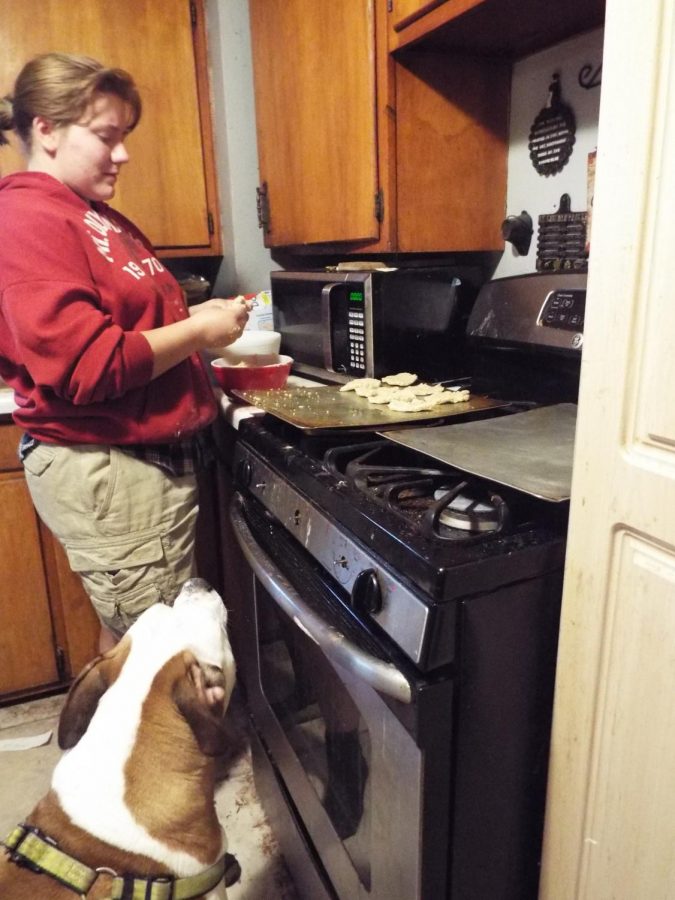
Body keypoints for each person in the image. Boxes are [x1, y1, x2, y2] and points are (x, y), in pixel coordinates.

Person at [0, 52, 250, 652]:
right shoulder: (29, 218)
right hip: (112, 464)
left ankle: (118, 740)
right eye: (107, 136)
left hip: (135, 458)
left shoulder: (87, 214)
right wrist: (199, 332)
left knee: (138, 642)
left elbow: (125, 330)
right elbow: (91, 365)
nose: (123, 154)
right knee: (156, 656)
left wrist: (197, 318)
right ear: (47, 130)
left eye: (125, 136)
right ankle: (147, 747)